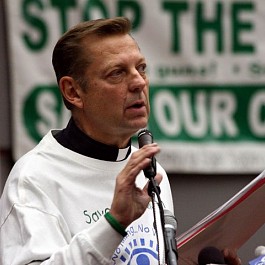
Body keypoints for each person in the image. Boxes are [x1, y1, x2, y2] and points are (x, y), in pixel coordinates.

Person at [0, 17, 241, 265]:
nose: (138, 82)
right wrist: (113, 224)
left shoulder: (151, 173)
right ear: (73, 92)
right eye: (117, 73)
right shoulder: (34, 179)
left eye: (142, 68)